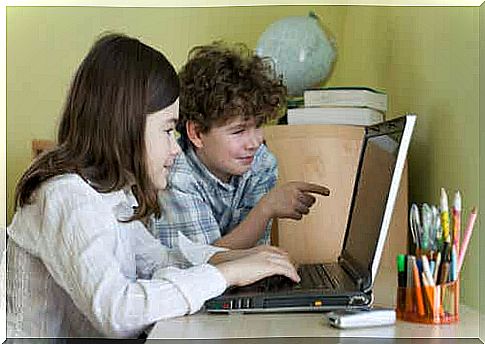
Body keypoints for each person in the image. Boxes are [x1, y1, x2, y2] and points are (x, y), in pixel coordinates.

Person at [6, 33, 300, 339]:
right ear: (125, 125)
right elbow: (117, 312)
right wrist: (225, 275)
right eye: (168, 129)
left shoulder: (108, 192)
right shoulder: (67, 196)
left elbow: (158, 259)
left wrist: (239, 259)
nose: (175, 148)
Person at [150, 42, 330, 250]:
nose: (255, 142)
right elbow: (206, 266)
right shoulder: (176, 178)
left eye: (259, 125)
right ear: (197, 133)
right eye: (238, 131)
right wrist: (266, 208)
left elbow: (252, 252)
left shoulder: (261, 162)